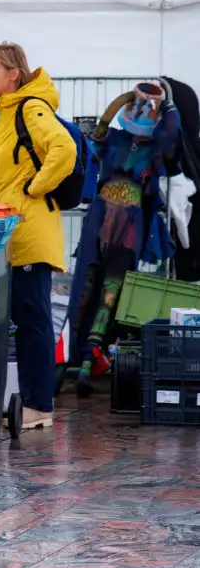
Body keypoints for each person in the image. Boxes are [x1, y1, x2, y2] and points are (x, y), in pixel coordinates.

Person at [0, 42, 76, 429]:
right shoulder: (7, 113)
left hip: (30, 233)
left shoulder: (30, 108)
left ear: (13, 75)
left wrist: (35, 188)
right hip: (16, 233)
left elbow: (64, 147)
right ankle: (35, 404)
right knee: (26, 318)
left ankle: (39, 407)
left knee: (34, 321)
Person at [68, 81, 181, 396]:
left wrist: (165, 104)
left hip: (117, 217)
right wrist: (149, 102)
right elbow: (103, 128)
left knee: (104, 286)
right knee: (97, 285)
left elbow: (168, 140)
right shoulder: (129, 141)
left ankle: (85, 360)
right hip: (116, 217)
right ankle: (79, 359)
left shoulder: (150, 144)